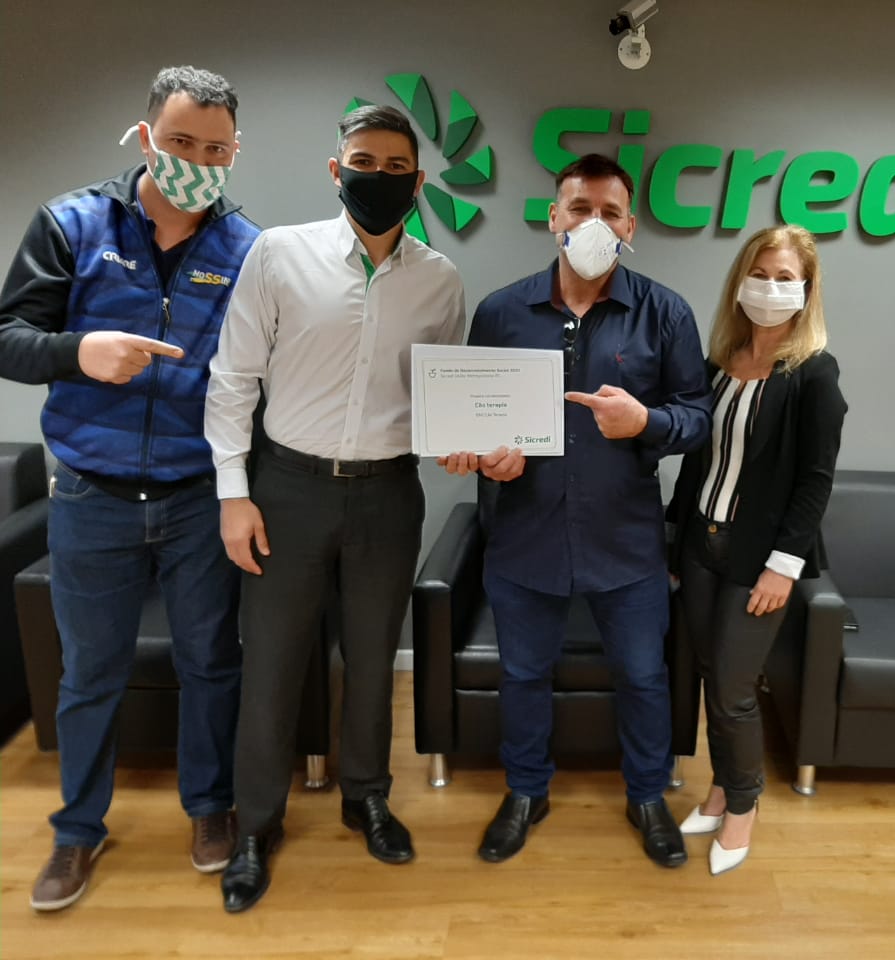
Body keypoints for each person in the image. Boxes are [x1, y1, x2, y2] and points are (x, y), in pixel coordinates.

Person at [0, 66, 257, 911]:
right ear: (146, 136)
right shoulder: (72, 223)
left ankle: (210, 808)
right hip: (92, 493)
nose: (198, 161)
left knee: (211, 662)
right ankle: (77, 830)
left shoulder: (246, 248)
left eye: (215, 149)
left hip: (195, 494)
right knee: (89, 673)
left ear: (235, 153)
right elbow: (7, 336)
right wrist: (78, 352)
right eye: (181, 142)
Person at [204, 105, 465, 913]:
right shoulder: (279, 254)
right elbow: (232, 379)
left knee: (374, 657)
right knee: (272, 664)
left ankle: (366, 797)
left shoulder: (441, 280)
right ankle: (256, 826)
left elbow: (444, 396)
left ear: (418, 182)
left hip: (388, 493)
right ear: (336, 169)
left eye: (396, 168)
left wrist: (470, 441)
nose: (378, 178)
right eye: (364, 162)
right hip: (287, 489)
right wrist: (233, 494)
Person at [439, 153, 711, 868]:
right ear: (553, 217)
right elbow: (476, 417)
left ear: (631, 227)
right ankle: (526, 791)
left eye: (610, 213)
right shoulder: (502, 311)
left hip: (626, 542)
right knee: (523, 676)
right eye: (580, 209)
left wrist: (646, 422)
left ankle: (647, 794)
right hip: (525, 536)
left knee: (643, 677)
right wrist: (485, 455)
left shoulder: (666, 313)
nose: (594, 223)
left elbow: (697, 417)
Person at [668, 224, 846, 875]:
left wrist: (783, 568)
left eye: (784, 278)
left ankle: (742, 807)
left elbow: (815, 481)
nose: (770, 288)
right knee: (710, 675)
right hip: (701, 545)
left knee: (735, 689)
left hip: (760, 561)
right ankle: (720, 790)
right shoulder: (719, 363)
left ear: (806, 290)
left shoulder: (814, 373)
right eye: (760, 275)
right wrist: (674, 540)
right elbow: (696, 461)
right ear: (740, 281)